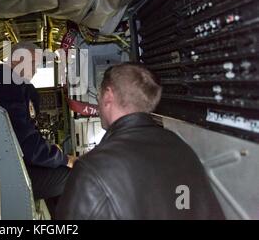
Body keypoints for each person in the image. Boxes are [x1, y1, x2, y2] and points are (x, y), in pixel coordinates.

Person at [56, 63, 225, 219]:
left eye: (99, 96)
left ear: (108, 96)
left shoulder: (91, 169)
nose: (98, 103)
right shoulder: (183, 149)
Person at [0, 42, 77, 214]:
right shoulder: (8, 87)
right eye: (33, 63)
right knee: (73, 175)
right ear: (16, 60)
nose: (36, 69)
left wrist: (53, 155)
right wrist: (65, 159)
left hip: (0, 165)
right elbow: (28, 145)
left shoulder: (2, 82)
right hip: (5, 172)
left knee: (53, 169)